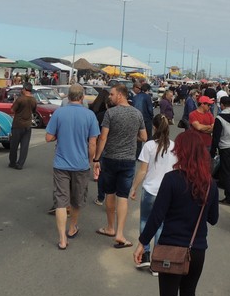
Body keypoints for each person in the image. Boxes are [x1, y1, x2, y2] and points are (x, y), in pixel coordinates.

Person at [134, 130, 219, 296]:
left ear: (181, 152)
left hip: (171, 251)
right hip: (197, 251)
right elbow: (213, 219)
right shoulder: (210, 184)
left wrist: (142, 244)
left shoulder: (172, 179)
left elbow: (156, 217)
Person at [45, 84, 100, 250]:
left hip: (61, 163)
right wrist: (91, 160)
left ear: (68, 97)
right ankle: (72, 227)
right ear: (82, 97)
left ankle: (62, 239)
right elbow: (93, 143)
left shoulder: (59, 113)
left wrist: (59, 135)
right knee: (77, 199)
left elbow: (48, 137)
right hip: (81, 164)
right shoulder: (90, 115)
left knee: (61, 201)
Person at [92, 83, 147, 248]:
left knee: (110, 193)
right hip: (128, 160)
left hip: (110, 158)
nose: (110, 97)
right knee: (122, 197)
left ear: (120, 95)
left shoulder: (110, 113)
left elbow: (103, 137)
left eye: (112, 94)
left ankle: (110, 227)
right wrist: (131, 137)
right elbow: (144, 137)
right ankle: (120, 233)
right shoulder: (137, 114)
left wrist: (96, 158)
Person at [130, 114, 176, 269]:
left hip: (150, 189)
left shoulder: (149, 146)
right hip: (167, 192)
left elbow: (143, 171)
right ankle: (157, 259)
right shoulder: (174, 146)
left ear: (154, 128)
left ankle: (145, 254)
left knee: (145, 220)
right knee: (161, 224)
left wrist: (134, 187)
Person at [9, 82, 38, 169]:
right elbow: (34, 111)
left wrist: (14, 102)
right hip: (28, 125)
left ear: (25, 89)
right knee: (24, 146)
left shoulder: (20, 99)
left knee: (14, 145)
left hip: (17, 125)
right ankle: (20, 164)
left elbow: (12, 110)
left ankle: (12, 162)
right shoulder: (34, 100)